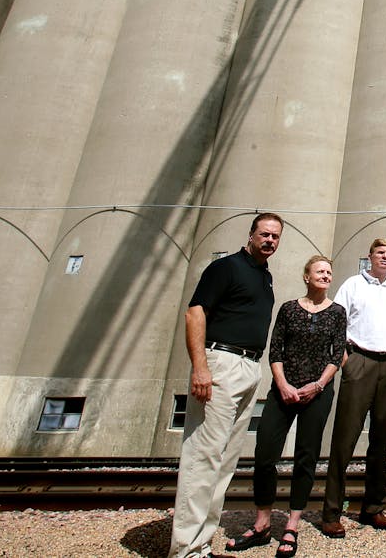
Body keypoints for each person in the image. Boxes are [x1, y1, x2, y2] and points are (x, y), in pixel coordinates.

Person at [169, 213, 283, 558]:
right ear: (251, 235)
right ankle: (186, 550)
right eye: (264, 234)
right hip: (221, 362)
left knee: (225, 461)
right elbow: (195, 313)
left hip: (249, 366)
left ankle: (201, 544)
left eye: (275, 236)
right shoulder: (226, 268)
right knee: (203, 456)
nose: (270, 240)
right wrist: (200, 368)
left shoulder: (264, 276)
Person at [225, 255, 345, 558]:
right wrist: (282, 384)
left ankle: (292, 524)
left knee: (306, 456)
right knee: (265, 454)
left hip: (317, 392)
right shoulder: (289, 309)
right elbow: (275, 348)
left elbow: (338, 354)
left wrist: (317, 385)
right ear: (306, 276)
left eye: (329, 272)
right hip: (283, 390)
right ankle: (263, 522)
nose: (326, 275)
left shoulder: (337, 312)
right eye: (320, 271)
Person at [318, 238, 386, 538]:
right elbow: (337, 323)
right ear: (369, 257)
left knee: (382, 441)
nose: (384, 257)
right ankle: (331, 512)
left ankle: (373, 508)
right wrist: (347, 361)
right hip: (359, 361)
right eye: (379, 253)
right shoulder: (352, 285)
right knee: (344, 440)